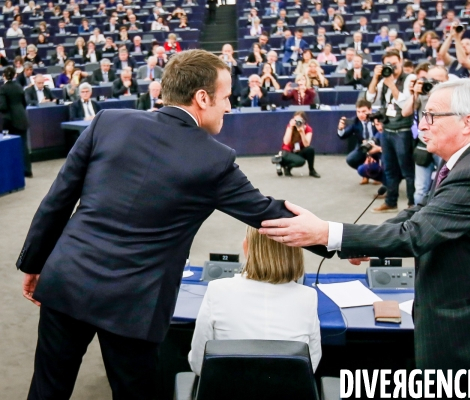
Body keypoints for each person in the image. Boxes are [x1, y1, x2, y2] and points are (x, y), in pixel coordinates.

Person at [17, 49, 331, 399]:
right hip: (134, 305)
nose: (228, 107)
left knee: (47, 389)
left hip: (67, 280)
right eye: (226, 98)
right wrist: (338, 241)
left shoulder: (108, 121)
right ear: (202, 98)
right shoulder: (216, 160)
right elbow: (270, 215)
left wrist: (34, 262)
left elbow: (57, 201)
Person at [259, 80, 470, 394]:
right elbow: (421, 211)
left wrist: (326, 233)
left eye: (432, 117)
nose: (422, 126)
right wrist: (362, 243)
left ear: (468, 122)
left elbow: (415, 234)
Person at [188, 226, 321, 374]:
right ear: (296, 251)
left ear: (246, 247)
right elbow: (311, 365)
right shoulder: (308, 296)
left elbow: (199, 364)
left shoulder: (217, 290)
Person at [366, 50, 415, 212]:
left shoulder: (410, 79)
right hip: (387, 131)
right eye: (389, 64)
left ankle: (411, 205)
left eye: (395, 63)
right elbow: (370, 98)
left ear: (401, 61)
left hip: (403, 130)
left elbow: (405, 103)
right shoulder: (384, 80)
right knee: (390, 168)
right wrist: (375, 77)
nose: (392, 67)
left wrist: (391, 84)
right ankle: (391, 202)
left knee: (407, 170)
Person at [400, 65, 449, 205]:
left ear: (447, 81)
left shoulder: (453, 97)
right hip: (424, 144)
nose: (434, 84)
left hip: (444, 145)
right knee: (420, 189)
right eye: (431, 80)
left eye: (438, 81)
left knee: (443, 186)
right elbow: (405, 112)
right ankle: (417, 220)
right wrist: (415, 93)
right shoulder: (423, 94)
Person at [337, 99, 380, 182]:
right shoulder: (355, 121)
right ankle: (366, 174)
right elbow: (343, 136)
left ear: (370, 110)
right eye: (358, 112)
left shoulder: (377, 119)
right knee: (350, 159)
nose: (361, 115)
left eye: (364, 111)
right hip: (363, 147)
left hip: (378, 146)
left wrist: (372, 143)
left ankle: (379, 175)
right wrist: (340, 128)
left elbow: (382, 134)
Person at [0, 66, 31, 177]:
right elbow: (24, 103)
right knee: (23, 145)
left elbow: (3, 107)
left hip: (10, 120)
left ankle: (14, 172)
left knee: (11, 146)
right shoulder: (19, 87)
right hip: (22, 118)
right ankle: (27, 170)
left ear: (4, 76)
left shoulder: (3, 88)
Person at [274, 112, 320, 178]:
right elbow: (286, 142)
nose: (297, 122)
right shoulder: (290, 127)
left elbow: (306, 145)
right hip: (287, 152)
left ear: (304, 121)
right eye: (295, 120)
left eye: (299, 120)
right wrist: (291, 127)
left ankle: (311, 170)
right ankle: (285, 165)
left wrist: (302, 132)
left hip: (297, 151)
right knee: (301, 161)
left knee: (310, 149)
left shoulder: (308, 129)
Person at [220, 44, 242, 108]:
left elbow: (241, 71)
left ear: (232, 52)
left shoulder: (237, 62)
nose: (227, 53)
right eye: (225, 51)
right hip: (222, 89)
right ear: (222, 52)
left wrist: (232, 61)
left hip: (234, 89)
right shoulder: (218, 62)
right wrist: (218, 61)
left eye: (229, 51)